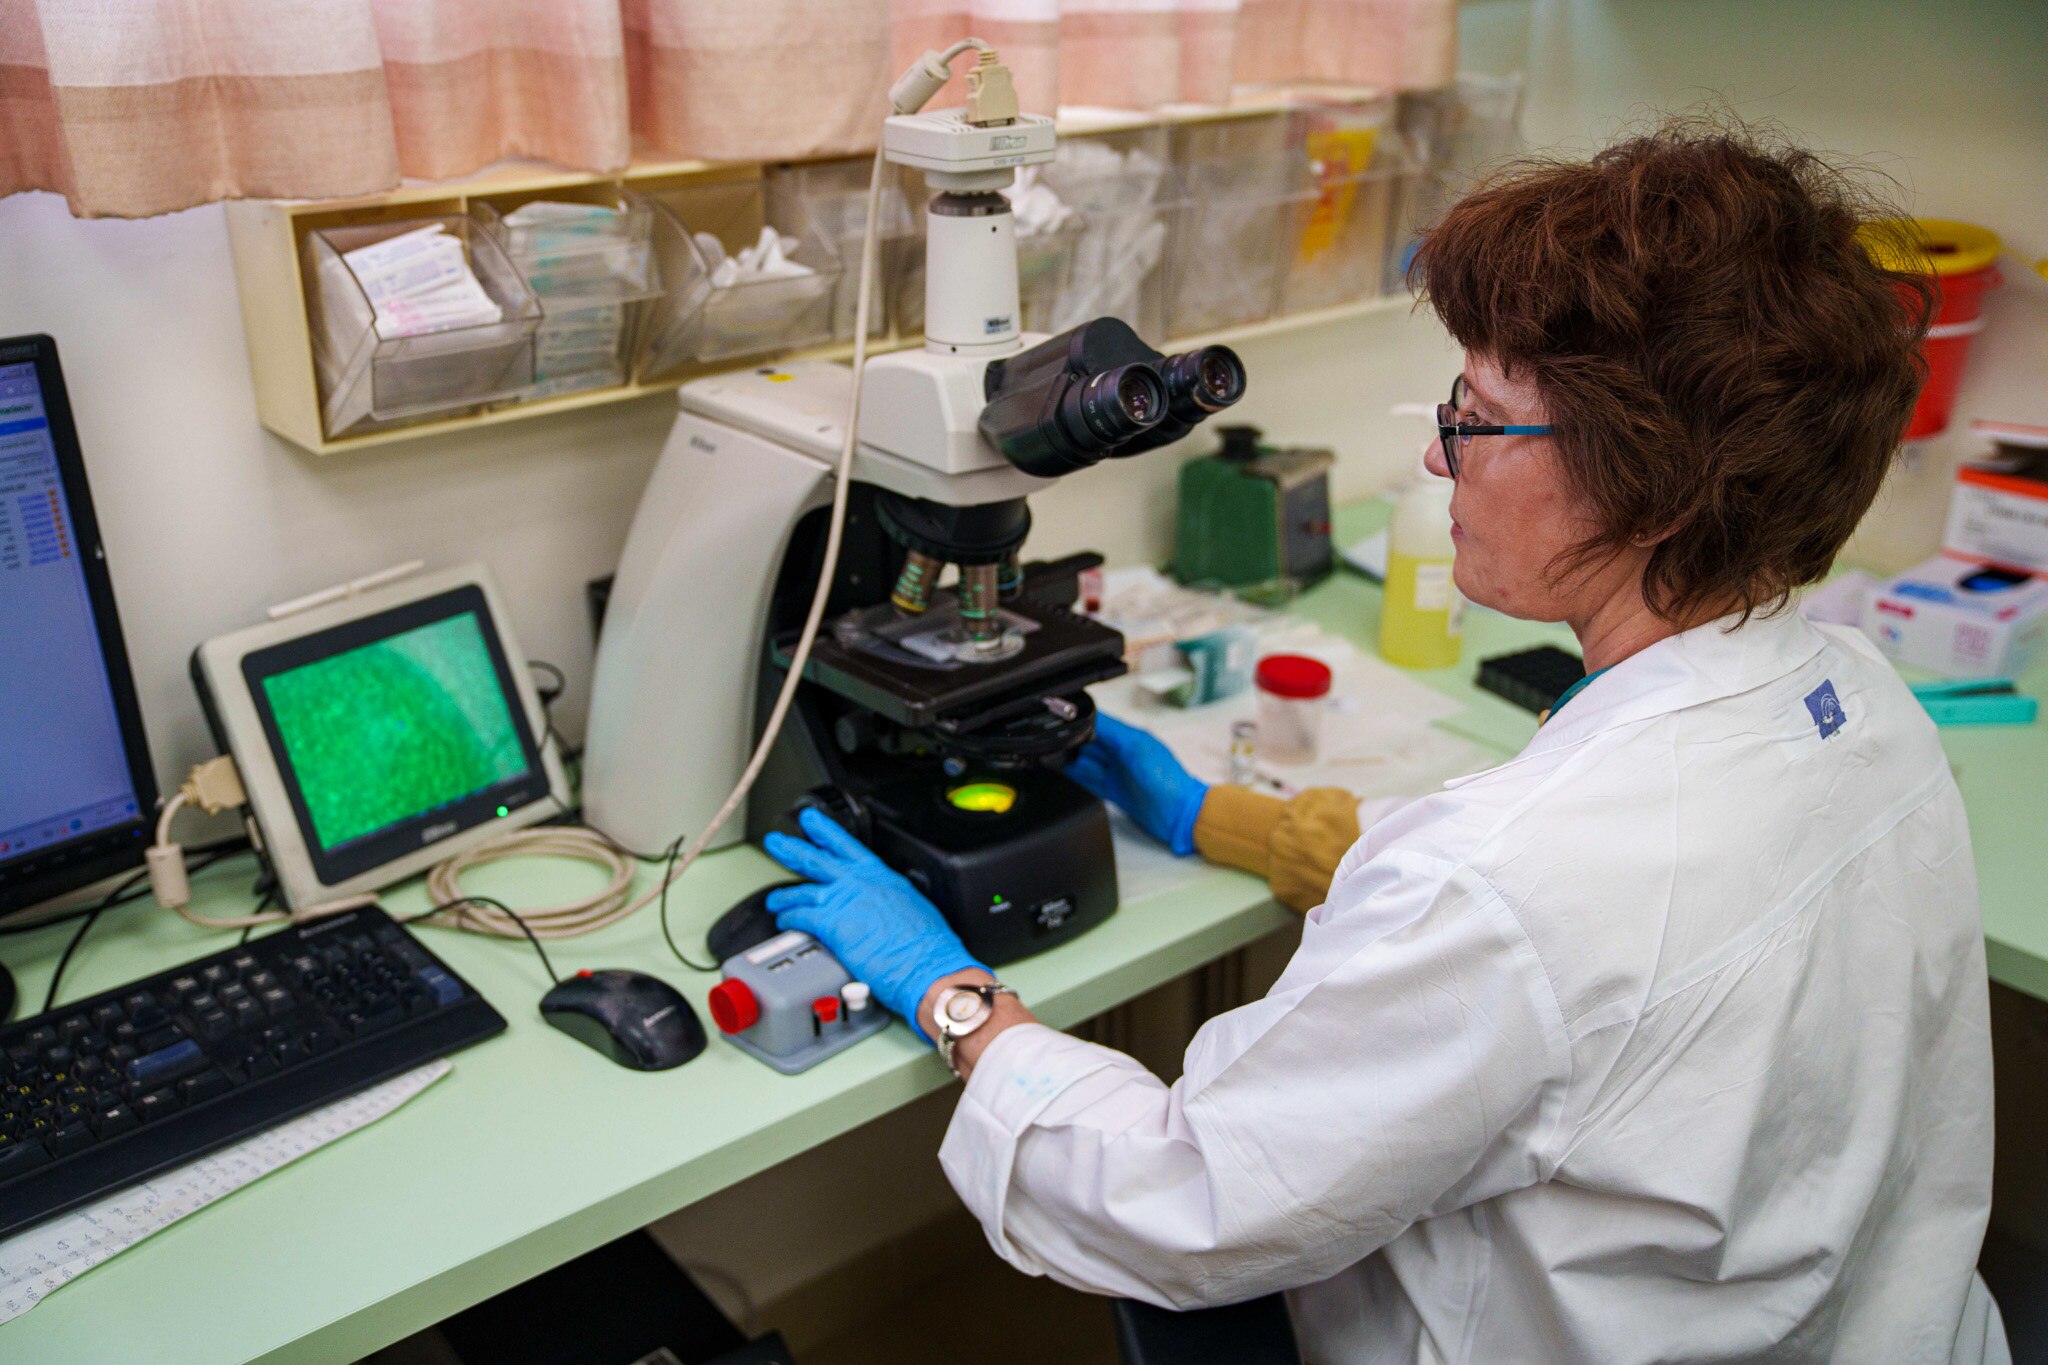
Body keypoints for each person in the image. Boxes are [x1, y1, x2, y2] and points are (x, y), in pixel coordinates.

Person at [763, 119, 2008, 1363]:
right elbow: (1596, 963)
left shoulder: (1503, 883)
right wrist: (1222, 821)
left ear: (1650, 485)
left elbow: (1179, 1207)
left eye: (1473, 416)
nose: (1432, 451)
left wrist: (955, 997)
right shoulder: (1856, 693)